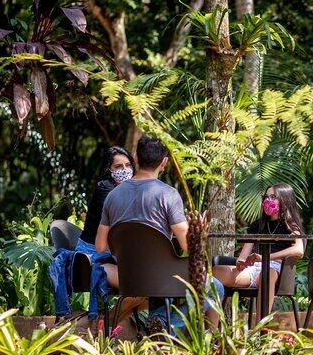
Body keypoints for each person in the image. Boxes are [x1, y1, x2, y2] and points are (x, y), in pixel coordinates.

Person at [95, 136, 223, 330]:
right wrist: (197, 229)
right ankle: (167, 328)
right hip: (162, 277)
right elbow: (187, 246)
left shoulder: (113, 195)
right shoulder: (168, 195)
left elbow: (100, 246)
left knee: (164, 289)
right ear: (164, 162)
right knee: (216, 288)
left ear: (136, 158)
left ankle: (157, 331)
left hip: (128, 277)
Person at [49, 146, 135, 324]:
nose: (125, 170)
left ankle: (112, 322)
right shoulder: (105, 189)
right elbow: (118, 223)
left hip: (115, 252)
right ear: (108, 170)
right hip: (92, 253)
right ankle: (108, 322)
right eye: (118, 167)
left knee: (147, 282)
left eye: (128, 165)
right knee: (142, 284)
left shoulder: (130, 190)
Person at [214, 183, 304, 314]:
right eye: (266, 197)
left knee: (267, 274)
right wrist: (241, 263)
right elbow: (243, 256)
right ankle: (211, 329)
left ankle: (260, 331)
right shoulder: (258, 225)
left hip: (277, 271)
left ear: (285, 200)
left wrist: (264, 258)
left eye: (273, 197)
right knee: (216, 271)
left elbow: (299, 250)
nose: (268, 200)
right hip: (254, 268)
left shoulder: (291, 225)